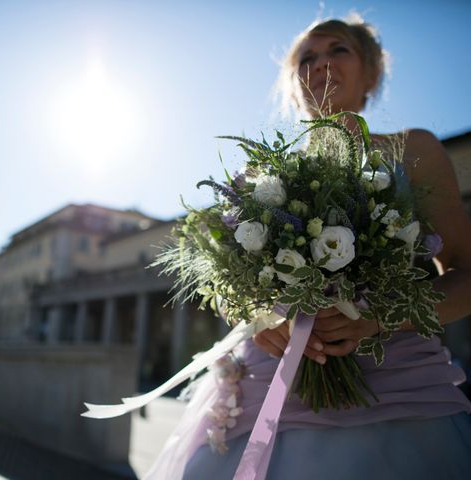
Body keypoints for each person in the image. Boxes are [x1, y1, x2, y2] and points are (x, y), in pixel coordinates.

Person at [146, 14, 471, 480]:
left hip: (395, 386)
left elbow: (466, 272)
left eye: (338, 50)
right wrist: (258, 321)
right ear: (293, 84)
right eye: (307, 58)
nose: (321, 65)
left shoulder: (413, 149)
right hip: (269, 381)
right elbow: (229, 286)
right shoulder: (257, 178)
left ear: (371, 73)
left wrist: (381, 318)